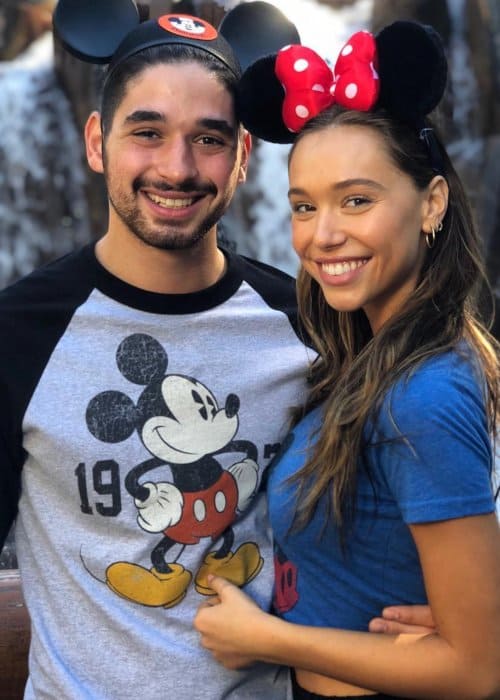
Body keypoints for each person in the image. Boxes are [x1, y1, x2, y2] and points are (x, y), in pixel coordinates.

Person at [0, 4, 435, 698]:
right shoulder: (19, 332)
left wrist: (435, 613)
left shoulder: (314, 321)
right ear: (96, 141)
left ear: (242, 158)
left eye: (208, 139)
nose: (176, 168)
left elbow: (406, 492)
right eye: (147, 132)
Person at [194, 20, 500, 700]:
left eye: (356, 200)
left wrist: (266, 639)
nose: (322, 235)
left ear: (433, 204)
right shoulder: (363, 362)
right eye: (304, 206)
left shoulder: (424, 393)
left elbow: (477, 670)